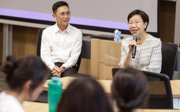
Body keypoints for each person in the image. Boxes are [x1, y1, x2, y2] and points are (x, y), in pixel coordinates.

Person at [41, 1, 82, 77]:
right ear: (54, 15)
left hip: (68, 67)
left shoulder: (77, 33)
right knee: (45, 80)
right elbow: (45, 55)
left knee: (69, 83)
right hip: (51, 66)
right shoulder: (46, 32)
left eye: (68, 13)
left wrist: (63, 68)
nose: (66, 16)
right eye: (62, 14)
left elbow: (74, 57)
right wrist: (53, 67)